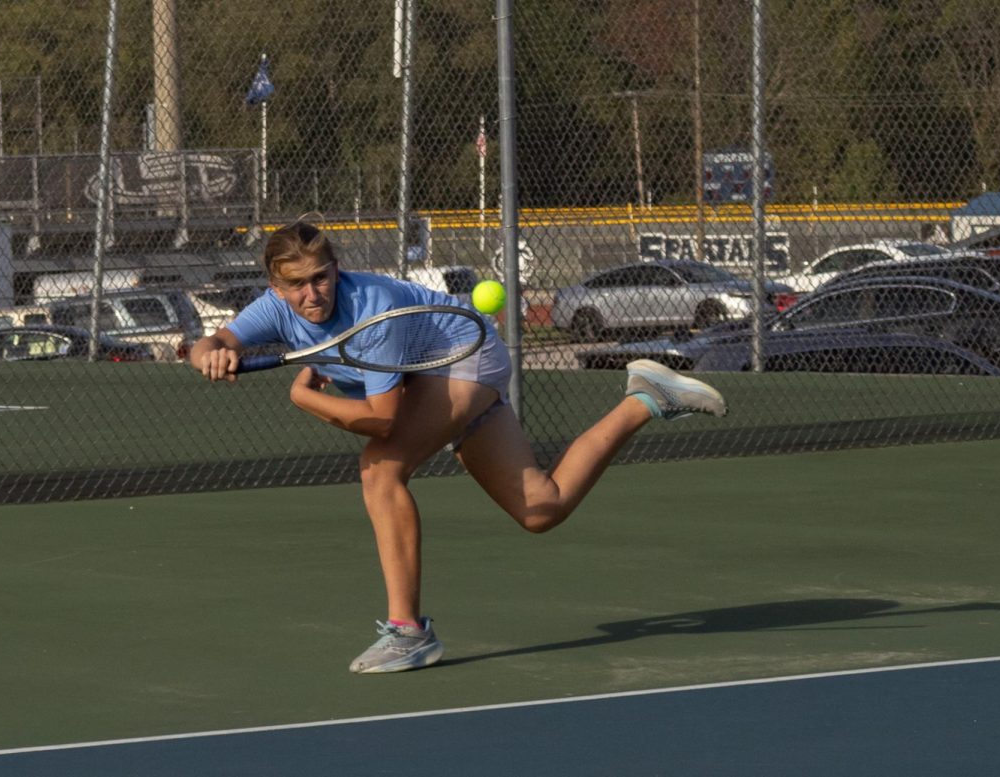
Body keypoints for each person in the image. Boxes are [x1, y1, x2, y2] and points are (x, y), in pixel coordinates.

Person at [190, 220, 728, 674]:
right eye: (298, 285)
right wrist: (209, 352)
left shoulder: (372, 307)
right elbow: (214, 342)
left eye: (322, 277)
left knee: (380, 469)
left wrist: (306, 399)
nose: (313, 294)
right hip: (429, 378)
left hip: (463, 357)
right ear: (275, 286)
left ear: (336, 269)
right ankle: (647, 398)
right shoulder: (274, 308)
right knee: (541, 508)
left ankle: (408, 631)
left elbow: (380, 421)